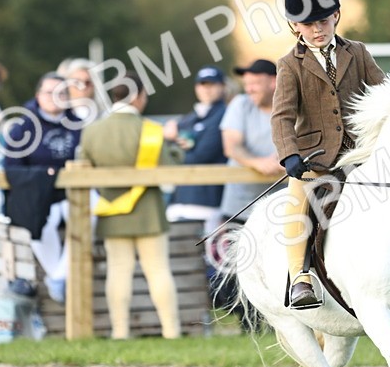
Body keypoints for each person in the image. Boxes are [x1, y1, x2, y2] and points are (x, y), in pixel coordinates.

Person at [271, 0, 388, 309]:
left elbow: (382, 94)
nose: (317, 29)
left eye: (323, 20)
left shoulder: (359, 53)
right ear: (295, 26)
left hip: (360, 154)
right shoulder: (289, 65)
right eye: (308, 24)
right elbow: (282, 116)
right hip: (315, 159)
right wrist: (289, 154)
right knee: (299, 203)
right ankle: (301, 277)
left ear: (336, 15)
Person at [78, 72, 182, 340]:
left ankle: (119, 332)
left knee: (118, 271)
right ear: (137, 96)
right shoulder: (151, 130)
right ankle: (171, 332)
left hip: (111, 210)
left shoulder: (91, 132)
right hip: (148, 212)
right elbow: (170, 170)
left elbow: (84, 170)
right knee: (158, 270)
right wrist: (174, 145)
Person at [1, 72, 82, 303]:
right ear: (38, 96)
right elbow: (12, 168)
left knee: (88, 215)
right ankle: (60, 282)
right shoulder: (23, 127)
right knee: (39, 226)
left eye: (62, 93)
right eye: (50, 92)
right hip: (38, 195)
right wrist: (43, 177)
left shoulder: (79, 126)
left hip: (73, 194)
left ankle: (57, 278)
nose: (55, 97)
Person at [165, 65, 229, 224]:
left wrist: (173, 142)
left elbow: (201, 155)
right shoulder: (190, 117)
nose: (206, 89)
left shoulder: (225, 114)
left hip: (207, 202)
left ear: (222, 86)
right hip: (180, 200)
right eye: (202, 84)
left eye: (212, 84)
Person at [220, 58, 282, 220]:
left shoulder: (293, 107)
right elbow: (231, 147)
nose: (248, 89)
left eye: (254, 83)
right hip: (239, 208)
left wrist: (284, 159)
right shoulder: (240, 104)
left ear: (273, 82)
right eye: (246, 84)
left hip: (280, 208)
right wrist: (258, 163)